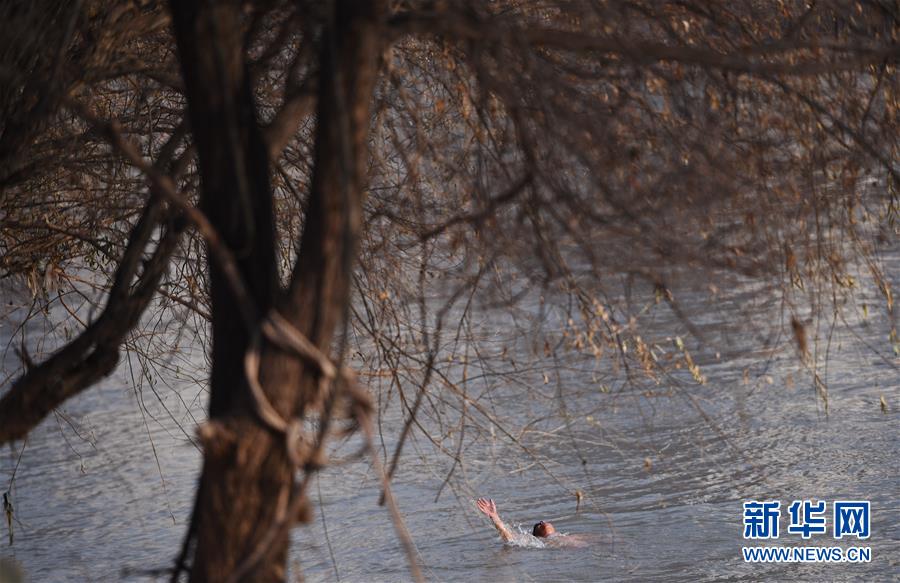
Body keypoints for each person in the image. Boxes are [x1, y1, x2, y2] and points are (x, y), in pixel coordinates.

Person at [477, 498, 587, 547]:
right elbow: (510, 538)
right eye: (538, 525)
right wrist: (495, 517)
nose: (542, 522)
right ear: (536, 536)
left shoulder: (571, 536)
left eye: (543, 521)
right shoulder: (537, 542)